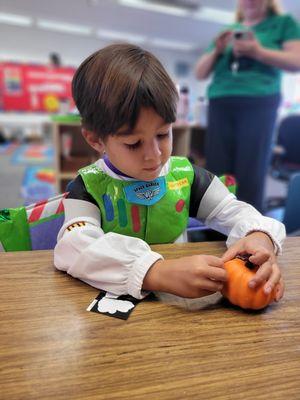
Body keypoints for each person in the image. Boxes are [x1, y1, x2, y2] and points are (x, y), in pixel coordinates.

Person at [54, 43, 285, 307]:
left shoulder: (187, 177)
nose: (154, 155)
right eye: (133, 143)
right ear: (95, 139)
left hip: (179, 312)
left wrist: (260, 236)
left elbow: (236, 212)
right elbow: (73, 245)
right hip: (111, 316)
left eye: (163, 134)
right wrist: (155, 272)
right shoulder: (87, 187)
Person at [195, 0, 300, 212]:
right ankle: (212, 227)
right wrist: (217, 50)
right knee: (217, 169)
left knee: (250, 170)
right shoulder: (228, 32)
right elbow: (200, 72)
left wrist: (257, 51)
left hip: (259, 101)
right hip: (221, 102)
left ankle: (251, 229)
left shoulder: (283, 23)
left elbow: (296, 60)